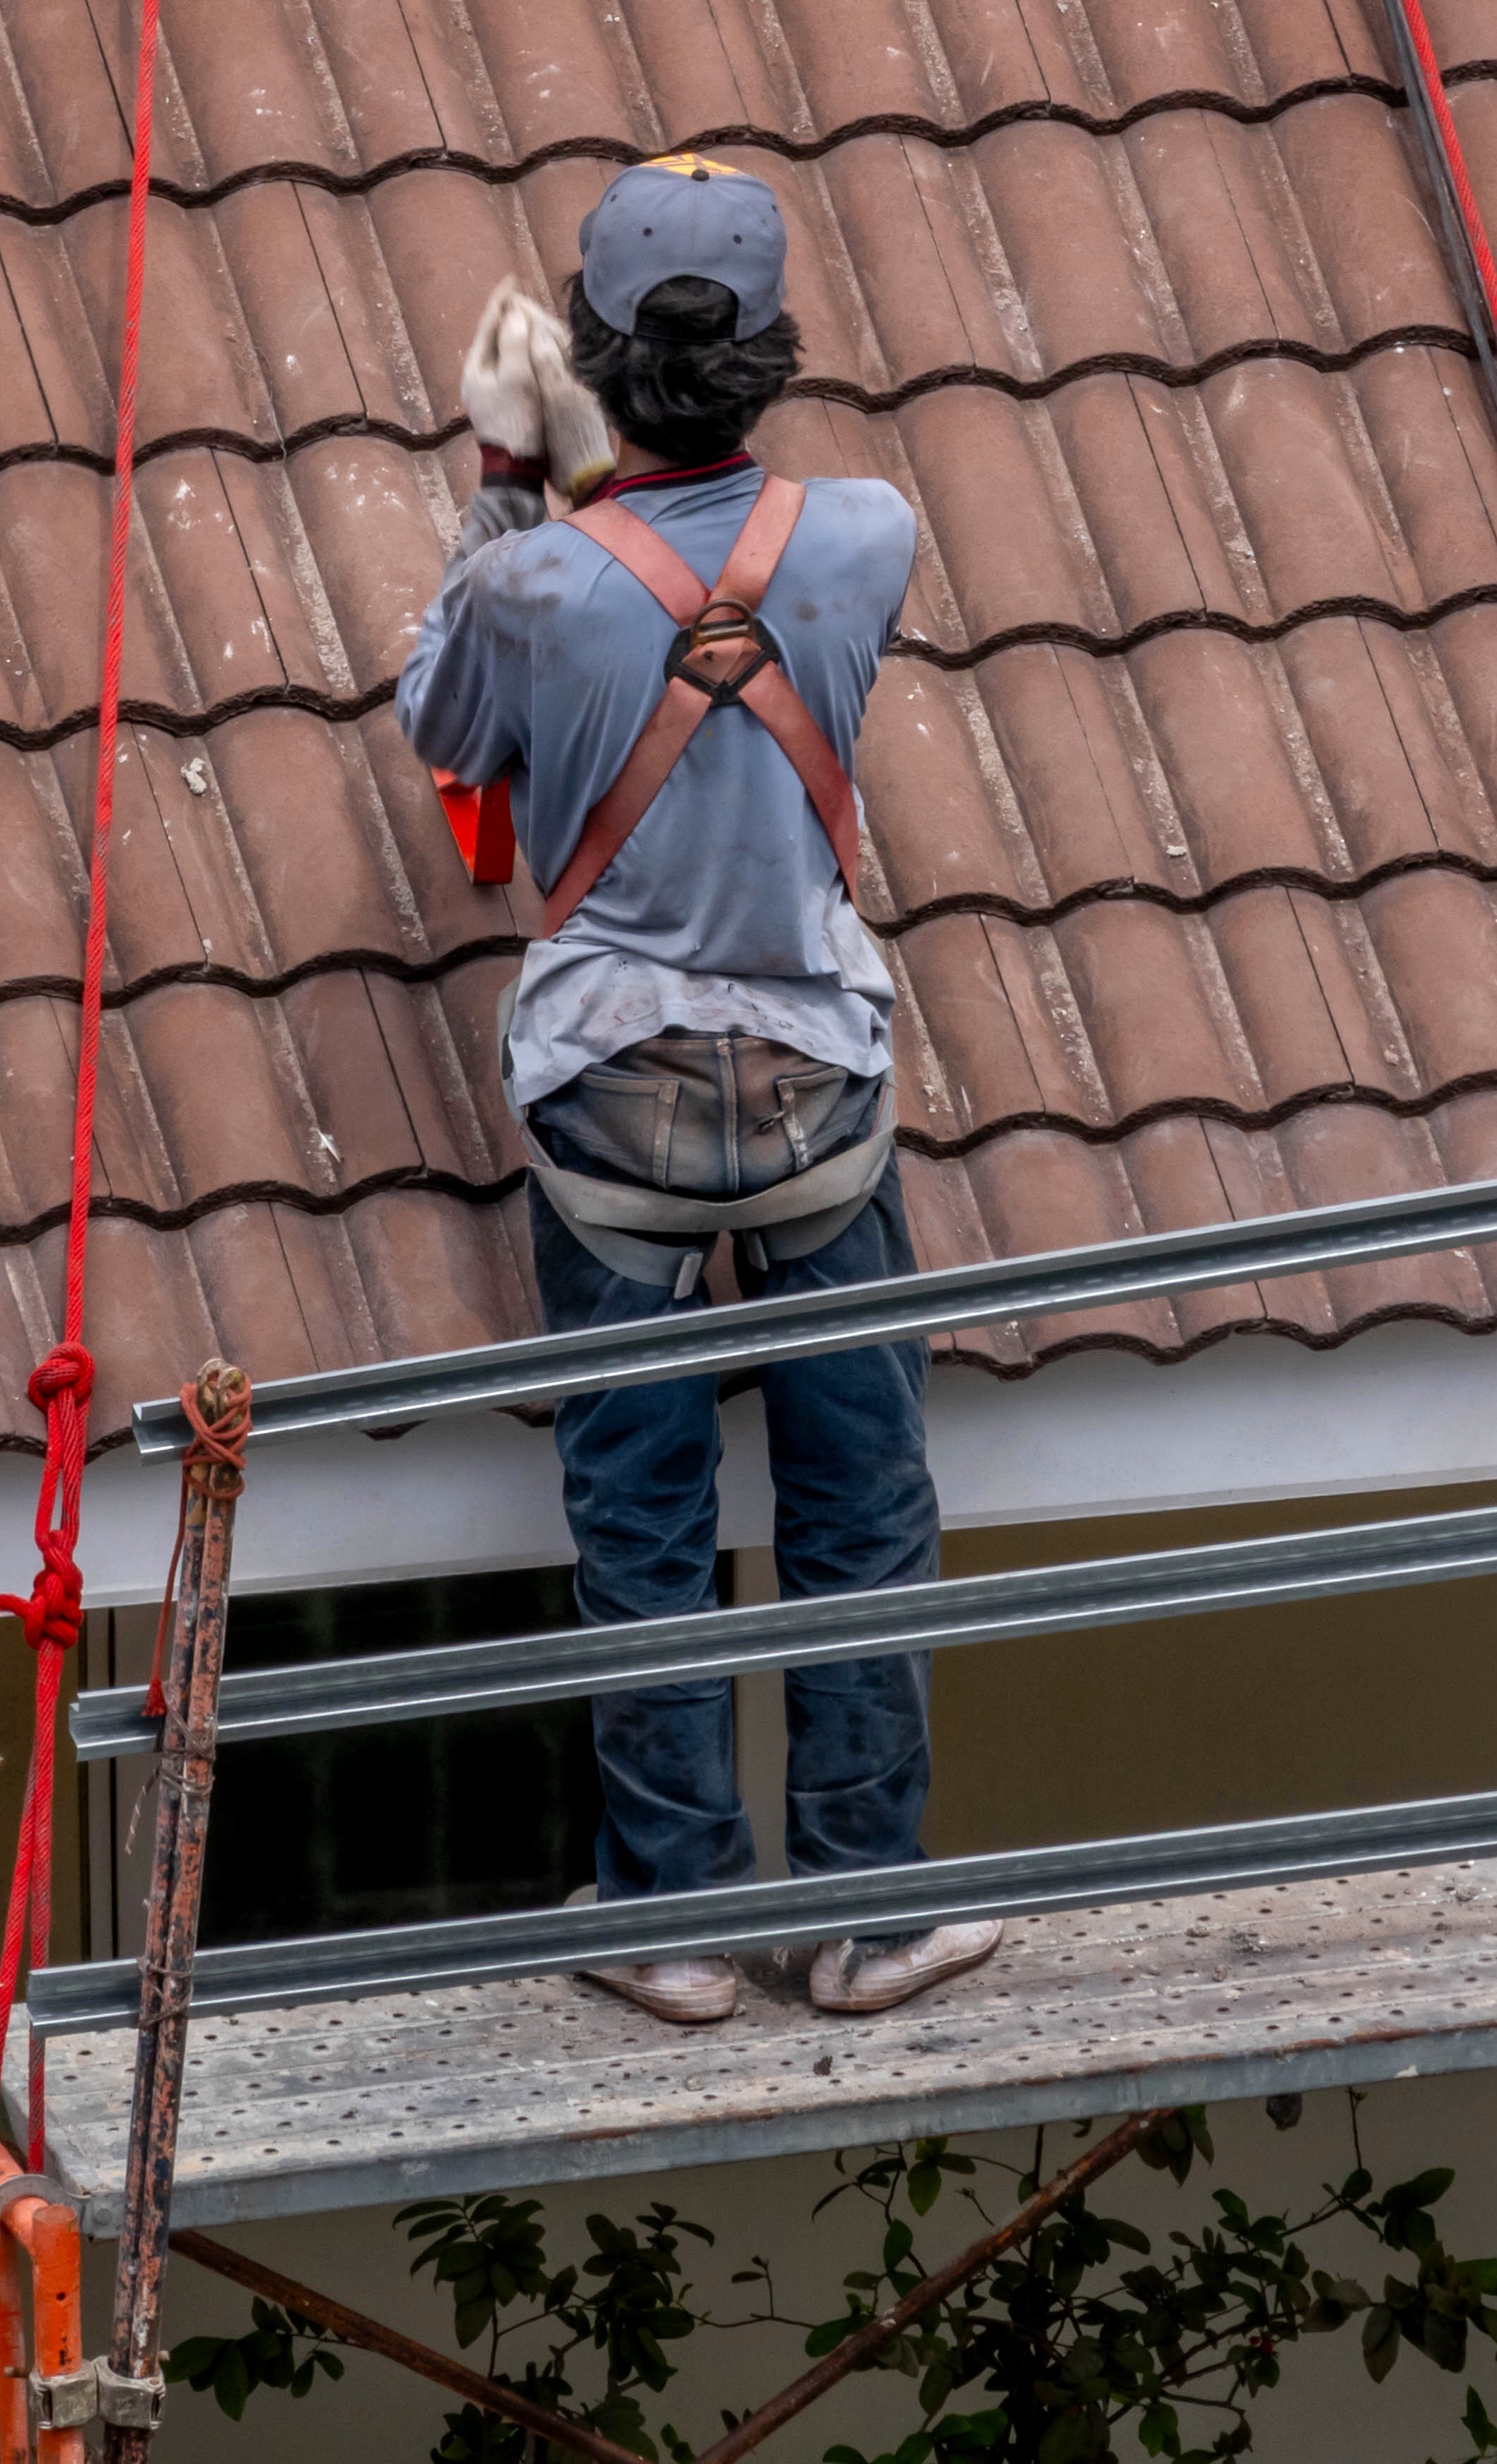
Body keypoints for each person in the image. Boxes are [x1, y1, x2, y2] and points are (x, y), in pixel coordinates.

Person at [397, 156, 999, 2036]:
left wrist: (513, 479)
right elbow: (717, 552)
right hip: (816, 1088)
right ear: (767, 347)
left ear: (591, 352)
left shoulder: (523, 586)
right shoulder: (870, 534)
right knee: (859, 1499)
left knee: (642, 1519)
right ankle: (863, 1913)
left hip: (611, 1105)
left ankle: (668, 1919)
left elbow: (443, 726)